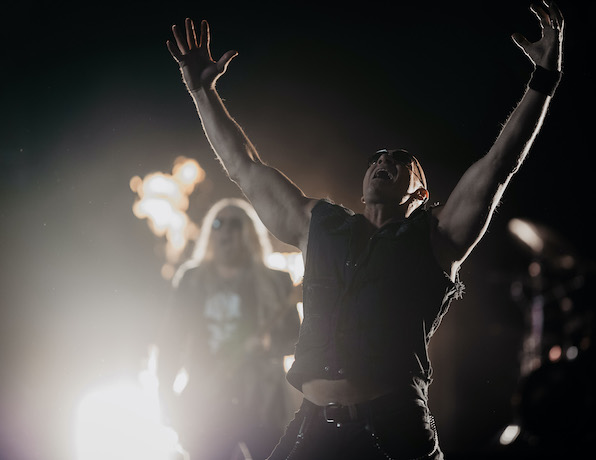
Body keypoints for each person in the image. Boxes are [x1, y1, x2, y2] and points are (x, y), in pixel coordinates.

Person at [166, 2, 564, 458]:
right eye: (377, 158)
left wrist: (543, 81)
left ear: (420, 195)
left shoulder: (437, 238)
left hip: (392, 429)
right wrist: (202, 92)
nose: (383, 161)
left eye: (400, 160)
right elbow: (244, 166)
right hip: (313, 427)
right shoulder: (318, 224)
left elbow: (499, 165)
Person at [157, 198, 301, 460]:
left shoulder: (276, 280)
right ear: (210, 233)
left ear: (250, 233)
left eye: (235, 224)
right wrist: (166, 395)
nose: (226, 230)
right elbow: (171, 342)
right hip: (206, 403)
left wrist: (269, 344)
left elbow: (297, 339)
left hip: (263, 405)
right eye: (218, 223)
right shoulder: (191, 281)